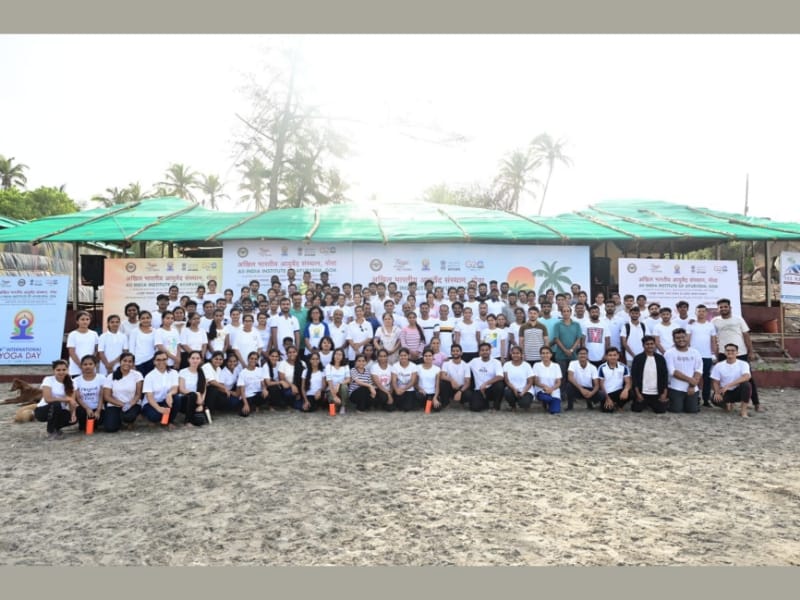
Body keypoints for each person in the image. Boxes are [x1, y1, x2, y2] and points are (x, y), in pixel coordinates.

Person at [712, 298, 761, 411]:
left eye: (725, 306)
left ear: (730, 307)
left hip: (741, 353)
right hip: (724, 353)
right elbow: (712, 336)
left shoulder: (738, 319)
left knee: (749, 380)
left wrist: (751, 351)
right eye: (721, 307)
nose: (723, 309)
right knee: (724, 377)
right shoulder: (715, 321)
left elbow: (746, 336)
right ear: (718, 309)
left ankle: (756, 403)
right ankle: (727, 401)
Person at [34, 359, 77, 439]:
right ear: (54, 371)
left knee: (73, 418)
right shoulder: (48, 380)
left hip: (60, 410)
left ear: (67, 370)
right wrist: (66, 399)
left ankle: (56, 428)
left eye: (64, 370)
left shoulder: (72, 382)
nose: (61, 372)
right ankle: (51, 431)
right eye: (58, 370)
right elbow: (48, 399)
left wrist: (73, 414)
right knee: (56, 404)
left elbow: (72, 401)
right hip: (44, 409)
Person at [101, 352, 144, 432]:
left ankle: (128, 420)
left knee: (129, 417)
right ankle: (119, 420)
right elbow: (107, 396)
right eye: (125, 361)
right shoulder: (111, 376)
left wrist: (130, 404)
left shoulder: (137, 375)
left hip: (132, 404)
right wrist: (123, 405)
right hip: (114, 404)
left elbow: (138, 394)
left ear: (133, 363)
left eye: (130, 361)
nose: (127, 363)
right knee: (110, 428)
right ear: (120, 362)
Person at [664, 329, 702, 414]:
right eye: (677, 338)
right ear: (673, 339)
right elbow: (672, 371)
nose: (681, 340)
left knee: (692, 411)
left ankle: (695, 401)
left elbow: (698, 370)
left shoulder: (695, 352)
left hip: (692, 388)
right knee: (676, 410)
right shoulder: (669, 353)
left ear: (687, 338)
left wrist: (692, 385)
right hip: (676, 387)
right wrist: (690, 380)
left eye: (683, 337)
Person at [711, 343, 753, 417]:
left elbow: (747, 376)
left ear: (737, 352)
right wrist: (717, 392)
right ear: (724, 352)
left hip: (738, 390)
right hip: (725, 391)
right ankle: (727, 405)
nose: (730, 352)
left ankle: (743, 411)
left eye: (733, 350)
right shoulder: (719, 365)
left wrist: (729, 385)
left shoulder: (743, 364)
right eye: (728, 350)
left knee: (746, 385)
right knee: (714, 398)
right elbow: (715, 381)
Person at [687, 304, 718, 407]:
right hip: (693, 356)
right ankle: (694, 398)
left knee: (707, 379)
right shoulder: (691, 325)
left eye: (703, 311)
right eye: (699, 311)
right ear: (696, 312)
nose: (701, 313)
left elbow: (713, 341)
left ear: (706, 313)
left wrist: (714, 354)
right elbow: (687, 340)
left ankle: (706, 400)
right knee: (693, 378)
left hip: (707, 356)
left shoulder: (710, 325)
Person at [141, 350, 181, 427]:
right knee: (155, 416)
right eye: (158, 360)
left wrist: (169, 394)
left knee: (177, 398)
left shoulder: (173, 373)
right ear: (154, 362)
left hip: (166, 401)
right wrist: (159, 408)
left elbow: (175, 388)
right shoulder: (149, 376)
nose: (161, 362)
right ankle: (157, 419)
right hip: (151, 403)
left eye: (164, 359)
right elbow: (149, 397)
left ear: (167, 360)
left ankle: (169, 421)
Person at [630, 336, 669, 414]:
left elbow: (665, 376)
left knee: (661, 410)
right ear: (643, 345)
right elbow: (634, 377)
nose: (650, 346)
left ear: (655, 345)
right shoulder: (638, 358)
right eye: (647, 344)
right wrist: (638, 393)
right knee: (636, 409)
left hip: (656, 392)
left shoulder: (660, 359)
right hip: (642, 392)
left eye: (652, 344)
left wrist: (664, 393)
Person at [467, 342, 505, 412]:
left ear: (490, 351)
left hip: (490, 389)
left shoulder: (496, 362)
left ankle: (496, 406)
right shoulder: (474, 361)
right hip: (479, 389)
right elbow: (464, 367)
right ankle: (485, 403)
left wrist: (486, 383)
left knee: (499, 385)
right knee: (475, 408)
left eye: (487, 350)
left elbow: (500, 376)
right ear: (479, 352)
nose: (485, 352)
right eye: (482, 350)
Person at [175, 350, 208, 426]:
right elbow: (181, 389)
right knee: (192, 395)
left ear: (200, 360)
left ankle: (195, 415)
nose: (195, 360)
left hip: (198, 401)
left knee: (199, 422)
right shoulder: (183, 372)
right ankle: (188, 421)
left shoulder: (202, 372)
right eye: (193, 358)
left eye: (197, 358)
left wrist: (201, 403)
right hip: (184, 400)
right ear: (188, 359)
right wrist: (196, 394)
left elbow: (204, 389)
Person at [73, 355, 105, 431]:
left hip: (98, 408)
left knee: (99, 423)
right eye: (85, 364)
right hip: (84, 408)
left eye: (90, 364)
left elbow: (101, 396)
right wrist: (87, 408)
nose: (88, 366)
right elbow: (78, 398)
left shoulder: (101, 378)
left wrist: (98, 410)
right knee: (84, 427)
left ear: (95, 365)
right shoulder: (76, 380)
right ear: (81, 366)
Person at [598, 347, 631, 413]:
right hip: (607, 393)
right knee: (608, 410)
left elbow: (628, 382)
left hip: (619, 392)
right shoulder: (602, 367)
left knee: (631, 393)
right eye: (610, 355)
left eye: (614, 355)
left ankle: (620, 405)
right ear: (606, 356)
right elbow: (601, 385)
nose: (612, 357)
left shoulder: (624, 367)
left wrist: (626, 390)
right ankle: (611, 403)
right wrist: (607, 398)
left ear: (618, 356)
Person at [66, 310, 99, 377]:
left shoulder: (94, 334)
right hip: (76, 368)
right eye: (82, 319)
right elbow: (72, 352)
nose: (85, 321)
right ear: (77, 321)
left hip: (90, 367)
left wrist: (90, 363)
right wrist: (81, 365)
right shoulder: (72, 334)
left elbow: (96, 350)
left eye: (87, 319)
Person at [502, 345, 534, 411]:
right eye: (513, 353)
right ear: (511, 354)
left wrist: (523, 392)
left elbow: (530, 382)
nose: (515, 355)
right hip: (512, 389)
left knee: (524, 403)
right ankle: (513, 406)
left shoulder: (527, 365)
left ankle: (524, 404)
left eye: (517, 353)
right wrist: (514, 389)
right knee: (507, 393)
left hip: (525, 390)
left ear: (521, 354)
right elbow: (507, 380)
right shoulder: (507, 365)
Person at [237, 351, 267, 416]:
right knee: (244, 414)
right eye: (251, 358)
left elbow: (262, 383)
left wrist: (264, 389)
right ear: (248, 359)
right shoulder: (243, 373)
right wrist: (246, 404)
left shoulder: (260, 370)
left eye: (255, 359)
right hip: (247, 396)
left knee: (267, 394)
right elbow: (242, 390)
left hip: (257, 395)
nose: (253, 360)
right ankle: (252, 407)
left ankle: (256, 406)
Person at [533, 346, 562, 414]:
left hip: (553, 390)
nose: (545, 355)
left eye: (547, 353)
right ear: (540, 355)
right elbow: (536, 381)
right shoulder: (536, 365)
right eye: (543, 353)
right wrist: (545, 387)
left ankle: (552, 404)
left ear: (551, 354)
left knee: (555, 411)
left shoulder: (556, 366)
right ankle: (545, 403)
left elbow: (558, 382)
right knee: (546, 398)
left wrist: (551, 389)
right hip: (541, 390)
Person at [128, 310, 156, 377]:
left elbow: (157, 347)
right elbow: (131, 348)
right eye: (143, 318)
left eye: (147, 318)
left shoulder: (155, 331)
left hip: (151, 360)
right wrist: (132, 363)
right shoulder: (134, 331)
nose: (145, 320)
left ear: (151, 319)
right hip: (138, 361)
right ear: (139, 320)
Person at [391, 347, 420, 412]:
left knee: (407, 408)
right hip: (398, 389)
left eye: (405, 355)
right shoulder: (395, 366)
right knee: (398, 407)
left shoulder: (413, 366)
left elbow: (412, 382)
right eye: (401, 355)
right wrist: (396, 389)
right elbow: (394, 381)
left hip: (409, 389)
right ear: (399, 356)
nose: (403, 357)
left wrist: (404, 389)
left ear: (408, 356)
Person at [325, 348, 351, 413]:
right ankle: (335, 405)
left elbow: (348, 379)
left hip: (341, 389)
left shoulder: (345, 366)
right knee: (333, 411)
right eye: (336, 354)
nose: (338, 356)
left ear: (343, 357)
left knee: (344, 386)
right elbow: (329, 381)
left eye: (340, 355)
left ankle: (343, 406)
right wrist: (334, 396)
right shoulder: (329, 366)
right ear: (333, 355)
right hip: (331, 389)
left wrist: (339, 383)